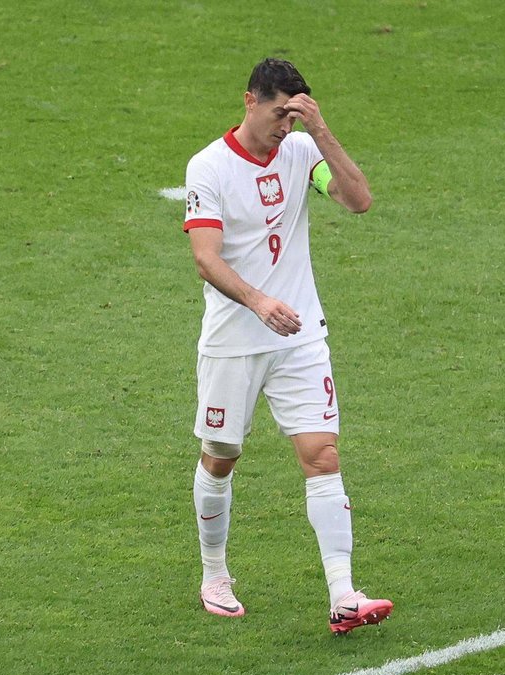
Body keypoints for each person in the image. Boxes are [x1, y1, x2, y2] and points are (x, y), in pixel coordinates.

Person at [181, 57, 392, 634]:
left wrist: (320, 132)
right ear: (250, 101)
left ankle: (343, 593)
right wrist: (257, 302)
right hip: (235, 342)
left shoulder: (301, 152)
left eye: (295, 116)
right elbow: (206, 257)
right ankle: (214, 574)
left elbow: (358, 200)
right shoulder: (210, 167)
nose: (285, 126)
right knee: (221, 457)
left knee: (322, 455)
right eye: (279, 114)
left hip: (300, 334)